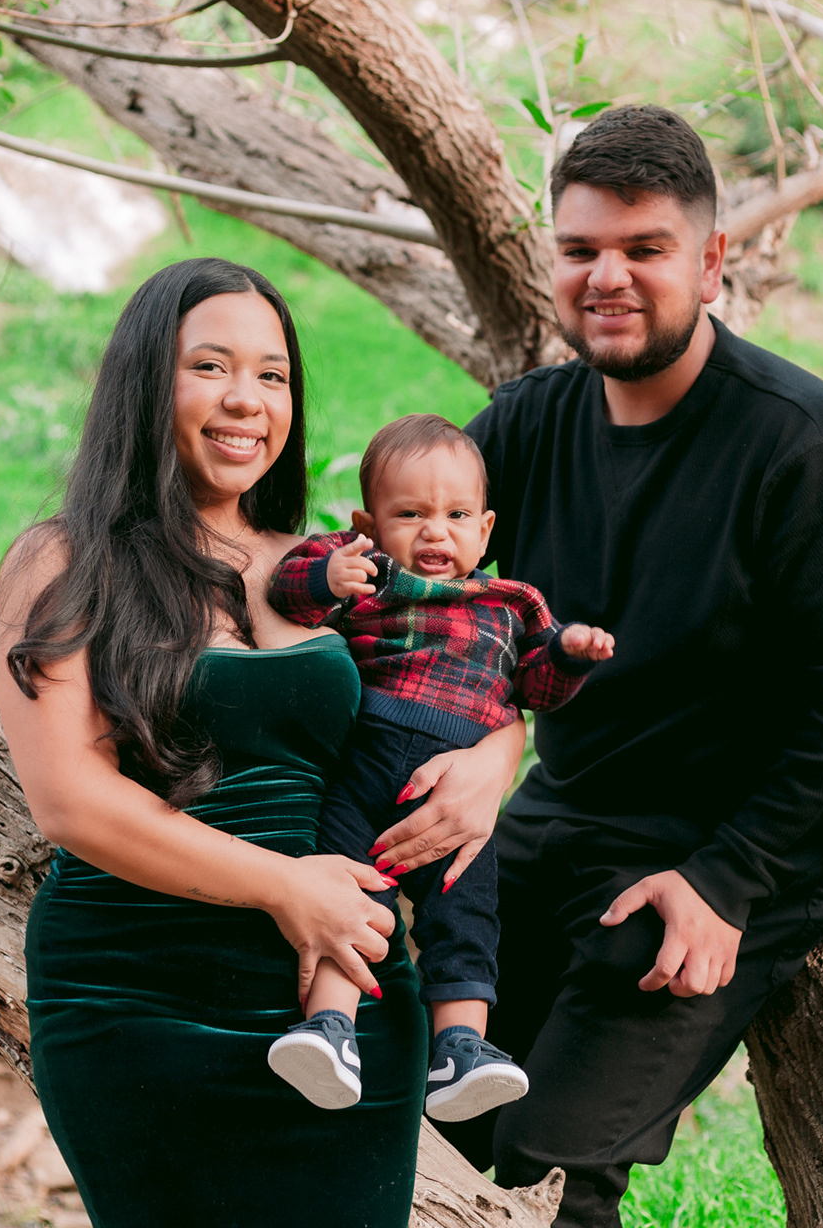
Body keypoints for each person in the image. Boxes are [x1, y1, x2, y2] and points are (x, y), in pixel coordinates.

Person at [437, 106, 823, 1226]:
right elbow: (425, 585)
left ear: (710, 263)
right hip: (561, 813)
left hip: (732, 842)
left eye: (644, 248)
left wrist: (728, 880)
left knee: (547, 1172)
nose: (606, 277)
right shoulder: (526, 425)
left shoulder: (811, 453)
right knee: (416, 1109)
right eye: (580, 249)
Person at [0, 258, 521, 1226]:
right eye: (211, 366)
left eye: (273, 375)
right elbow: (68, 798)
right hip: (138, 1001)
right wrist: (285, 887)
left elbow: (463, 667)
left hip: (346, 1002)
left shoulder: (331, 569)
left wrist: (498, 758)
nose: (248, 400)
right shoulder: (65, 560)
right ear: (147, 380)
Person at [262, 413, 615, 1122]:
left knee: (467, 912)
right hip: (361, 761)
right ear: (368, 523)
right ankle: (328, 1029)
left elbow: (536, 689)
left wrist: (570, 655)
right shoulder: (365, 571)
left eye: (456, 516)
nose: (435, 533)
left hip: (453, 783)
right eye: (410, 514)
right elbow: (286, 587)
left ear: (485, 530)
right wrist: (328, 575)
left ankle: (461, 1048)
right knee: (345, 894)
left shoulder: (513, 604)